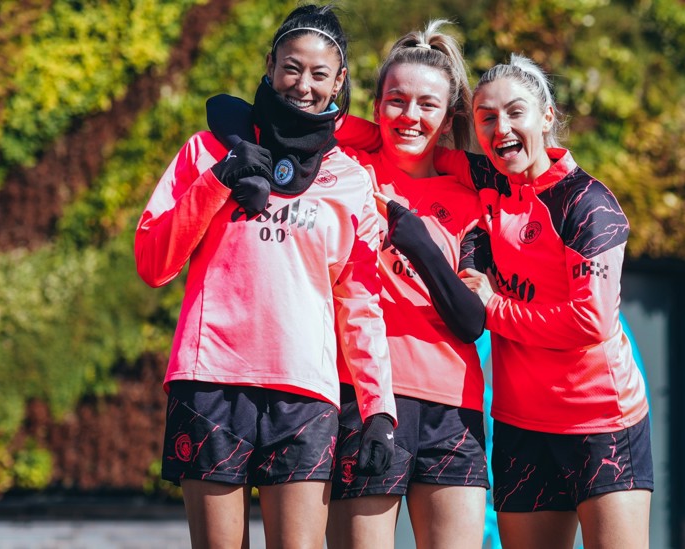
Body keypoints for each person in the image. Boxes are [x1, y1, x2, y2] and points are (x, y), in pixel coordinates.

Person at [207, 20, 490, 549]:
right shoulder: (346, 166)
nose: (409, 116)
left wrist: (424, 245)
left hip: (453, 406)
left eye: (427, 105)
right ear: (374, 103)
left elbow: (472, 320)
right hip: (362, 399)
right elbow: (237, 109)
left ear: (449, 116)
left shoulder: (473, 194)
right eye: (395, 100)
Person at [134, 5, 396, 548]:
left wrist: (379, 412)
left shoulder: (350, 179)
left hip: (304, 392)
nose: (303, 85)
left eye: (320, 74)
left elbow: (361, 305)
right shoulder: (208, 151)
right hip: (210, 380)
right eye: (292, 68)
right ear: (271, 65)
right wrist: (219, 180)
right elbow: (154, 263)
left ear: (339, 81)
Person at [445, 54, 654, 548]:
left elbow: (591, 321)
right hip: (521, 427)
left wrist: (494, 306)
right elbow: (411, 142)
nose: (502, 128)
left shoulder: (587, 203)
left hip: (601, 421)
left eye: (516, 113)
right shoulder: (489, 182)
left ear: (547, 116)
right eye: (487, 119)